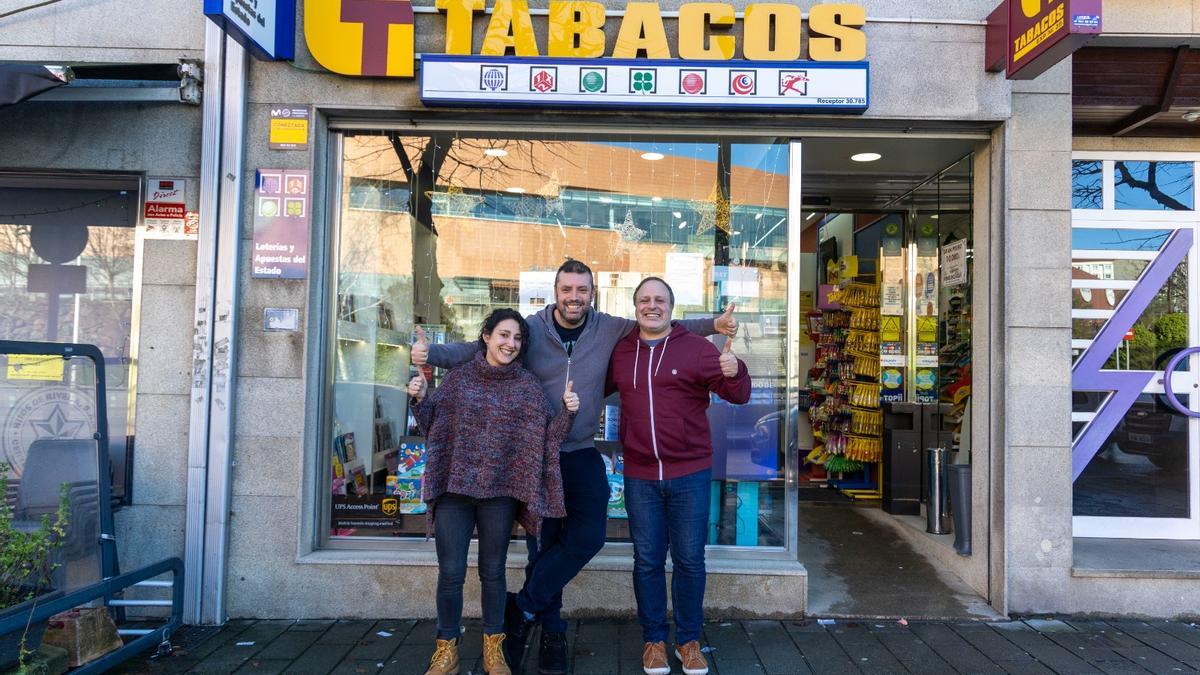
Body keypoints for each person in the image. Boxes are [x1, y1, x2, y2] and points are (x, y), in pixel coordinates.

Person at [412, 260, 737, 674]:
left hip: (580, 449)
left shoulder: (610, 328)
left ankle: (523, 606)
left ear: (592, 293)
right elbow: (480, 350)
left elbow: (665, 324)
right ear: (555, 291)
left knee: (588, 537)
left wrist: (713, 324)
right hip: (534, 454)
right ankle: (551, 630)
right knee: (543, 546)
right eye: (567, 289)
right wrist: (432, 354)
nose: (574, 297)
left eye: (582, 290)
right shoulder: (529, 330)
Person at [408, 308, 578, 675]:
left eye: (517, 339)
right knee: (451, 573)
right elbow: (431, 426)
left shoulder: (526, 385)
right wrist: (420, 399)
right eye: (503, 335)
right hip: (455, 490)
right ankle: (446, 650)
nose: (510, 344)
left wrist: (567, 412)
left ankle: (493, 649)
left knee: (493, 572)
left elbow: (546, 438)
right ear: (486, 336)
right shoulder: (459, 379)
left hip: (499, 494)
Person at [606, 277, 750, 675]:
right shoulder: (621, 351)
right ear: (635, 306)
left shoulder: (696, 348)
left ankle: (688, 641)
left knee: (689, 560)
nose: (652, 306)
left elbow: (738, 394)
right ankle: (653, 641)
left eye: (660, 300)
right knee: (647, 561)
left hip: (689, 473)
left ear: (672, 306)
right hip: (640, 475)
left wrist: (735, 371)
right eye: (644, 300)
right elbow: (591, 388)